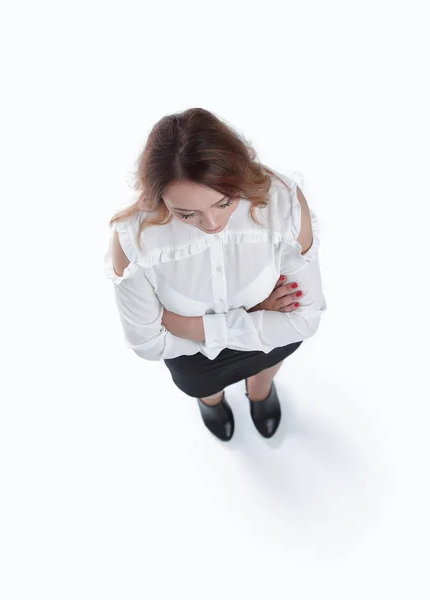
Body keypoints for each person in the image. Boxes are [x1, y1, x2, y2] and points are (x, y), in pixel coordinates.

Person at [104, 107, 328, 442]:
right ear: (158, 196)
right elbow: (147, 343)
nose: (211, 225)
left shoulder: (281, 201)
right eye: (186, 214)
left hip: (247, 340)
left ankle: (260, 392)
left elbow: (305, 319)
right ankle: (213, 401)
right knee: (204, 386)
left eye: (225, 203)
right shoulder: (133, 239)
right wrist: (258, 313)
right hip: (198, 358)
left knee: (267, 367)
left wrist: (186, 325)